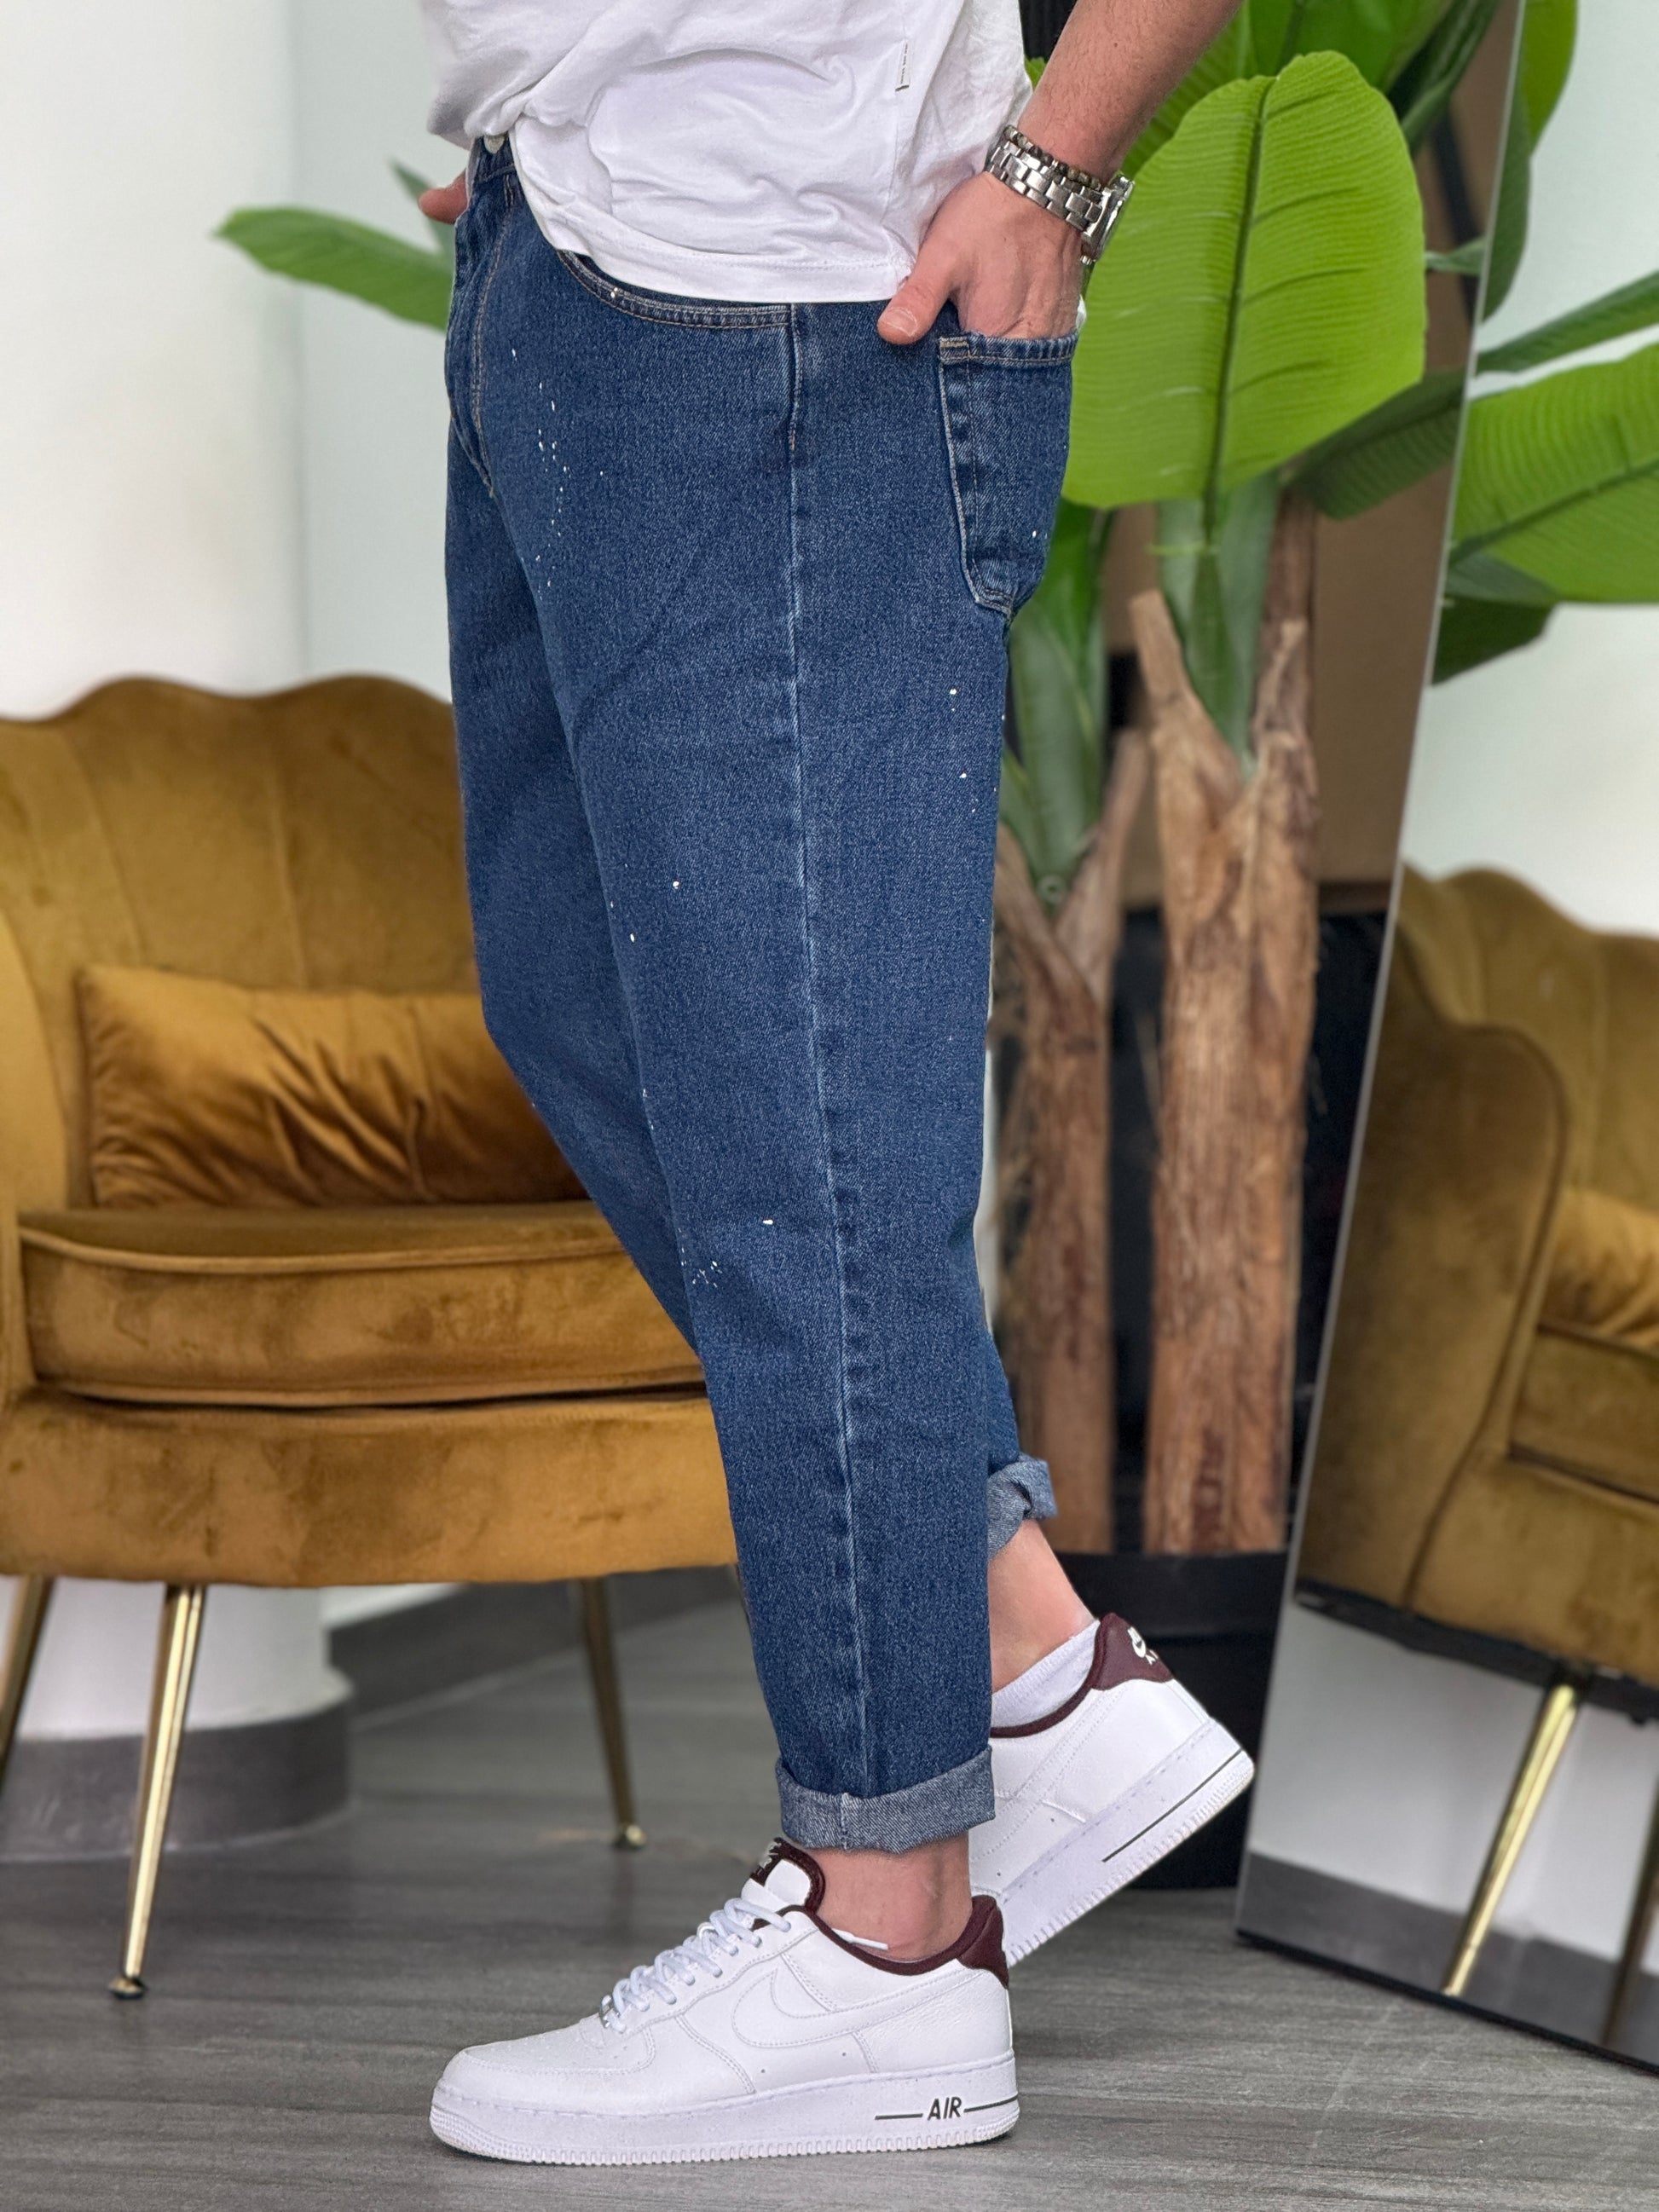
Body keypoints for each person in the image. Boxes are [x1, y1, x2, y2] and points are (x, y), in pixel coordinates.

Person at [416, 0, 1246, 2165]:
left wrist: (1055, 166)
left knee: (805, 1139)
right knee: (586, 1012)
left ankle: (888, 1939)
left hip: (786, 284)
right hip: (565, 236)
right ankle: (1027, 1666)